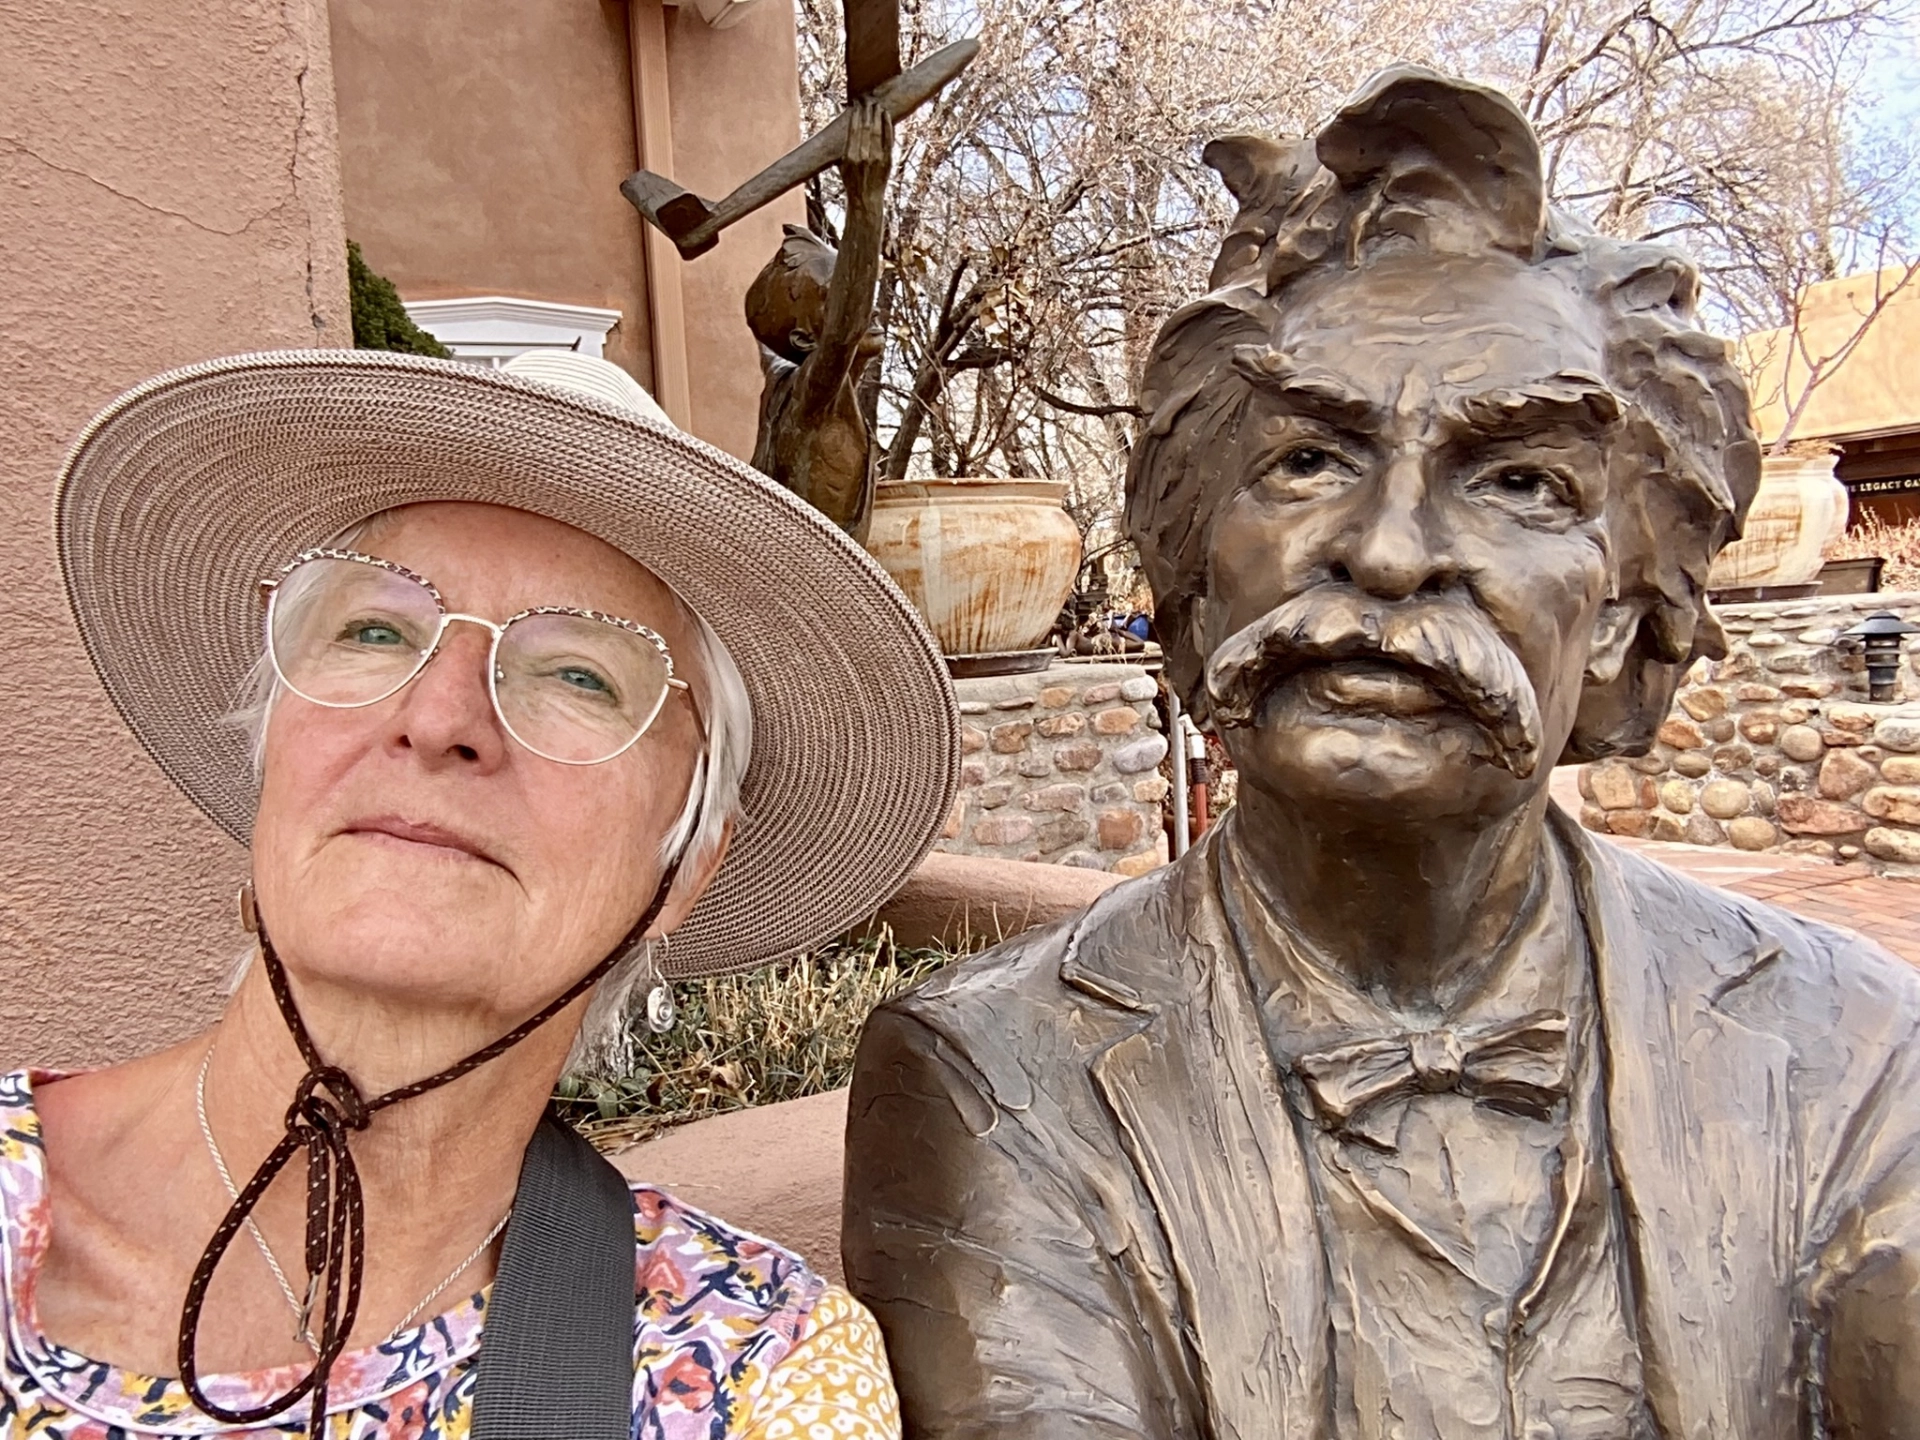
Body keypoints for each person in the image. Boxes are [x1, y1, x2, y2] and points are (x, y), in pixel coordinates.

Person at [841, 67, 1919, 1440]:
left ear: (1629, 608)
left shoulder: (1856, 1049)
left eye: (1522, 484)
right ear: (1191, 564)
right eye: (1309, 459)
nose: (1391, 548)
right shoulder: (992, 1074)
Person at [13, 347, 958, 1438]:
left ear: (687, 865)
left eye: (579, 675)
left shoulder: (755, 1375)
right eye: (375, 630)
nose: (440, 716)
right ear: (273, 764)